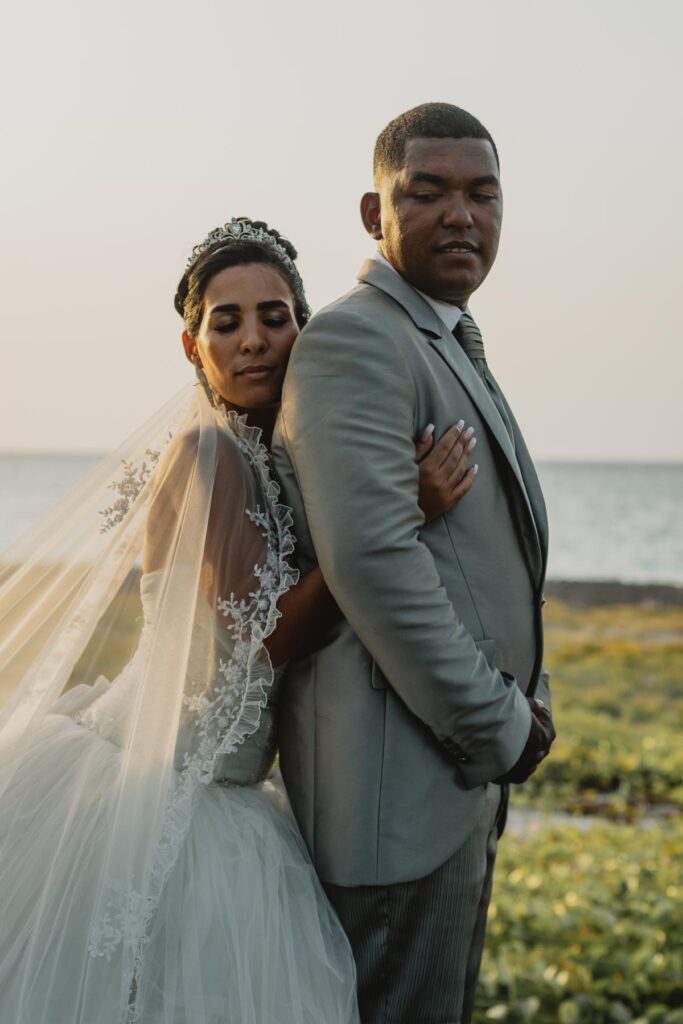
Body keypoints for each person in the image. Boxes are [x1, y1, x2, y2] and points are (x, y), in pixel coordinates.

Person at [0, 216, 474, 1023]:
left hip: (234, 796)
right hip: (163, 798)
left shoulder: (277, 461)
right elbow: (266, 638)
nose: (254, 339)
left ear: (303, 329)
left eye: (275, 316)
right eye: (228, 322)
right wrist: (399, 511)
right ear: (193, 349)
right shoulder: (209, 455)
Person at [271, 103, 557, 1024]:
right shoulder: (358, 340)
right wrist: (496, 724)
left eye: (482, 193)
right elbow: (373, 561)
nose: (460, 215)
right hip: (396, 802)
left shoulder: (442, 335)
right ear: (373, 213)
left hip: (445, 793)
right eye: (425, 192)